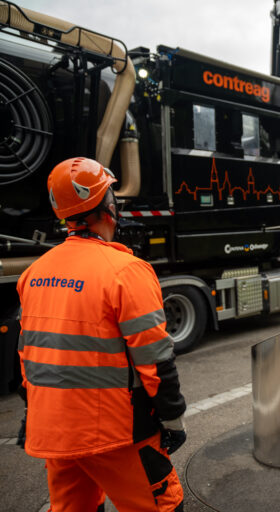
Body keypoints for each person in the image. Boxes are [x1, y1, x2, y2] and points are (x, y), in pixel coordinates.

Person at [16, 157, 187, 512]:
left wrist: (32, 413)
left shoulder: (34, 273)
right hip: (115, 434)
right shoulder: (126, 271)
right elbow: (154, 358)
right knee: (162, 505)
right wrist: (172, 419)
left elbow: (29, 355)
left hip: (54, 430)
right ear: (107, 206)